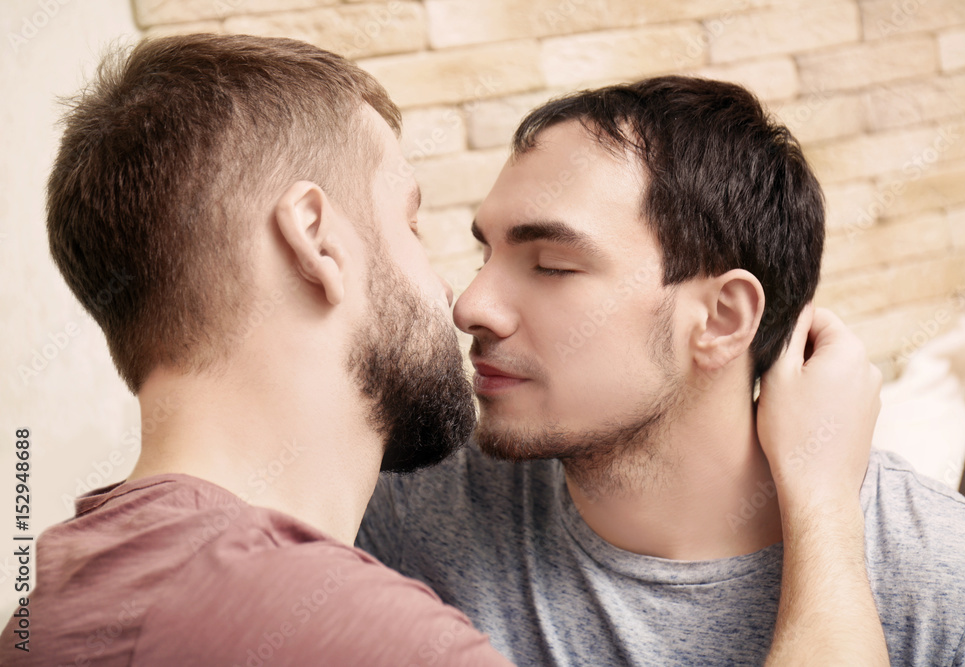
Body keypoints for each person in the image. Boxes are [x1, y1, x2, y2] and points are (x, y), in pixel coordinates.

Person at [3, 35, 886, 665]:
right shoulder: (359, 632)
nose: (463, 301)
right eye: (415, 225)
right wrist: (822, 495)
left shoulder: (53, 598)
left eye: (547, 263)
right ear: (317, 238)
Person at [358, 77, 965, 666]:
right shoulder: (414, 506)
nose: (471, 306)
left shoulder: (963, 598)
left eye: (551, 265)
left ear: (721, 319)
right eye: (486, 254)